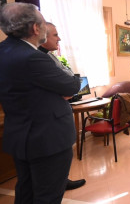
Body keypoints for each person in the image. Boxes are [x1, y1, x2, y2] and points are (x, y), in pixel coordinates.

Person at [0, 2, 81, 203]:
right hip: (47, 140)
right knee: (48, 195)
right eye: (44, 23)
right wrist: (62, 89)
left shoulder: (4, 51)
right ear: (36, 28)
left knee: (26, 191)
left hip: (20, 136)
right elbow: (71, 86)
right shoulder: (33, 58)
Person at [39, 22, 86, 190]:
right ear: (42, 36)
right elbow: (68, 84)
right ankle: (57, 184)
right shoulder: (38, 58)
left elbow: (72, 79)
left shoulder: (51, 56)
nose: (59, 38)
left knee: (63, 156)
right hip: (51, 116)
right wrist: (70, 85)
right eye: (55, 35)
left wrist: (71, 85)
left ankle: (62, 180)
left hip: (61, 107)